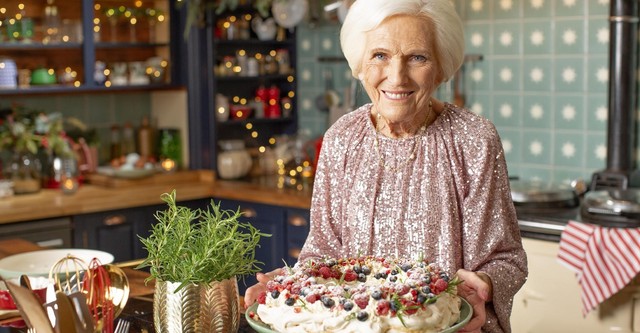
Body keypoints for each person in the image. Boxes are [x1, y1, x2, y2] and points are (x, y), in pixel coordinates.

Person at [245, 0, 528, 332]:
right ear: (360, 64)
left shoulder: (474, 140)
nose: (397, 77)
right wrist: (293, 285)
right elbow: (322, 252)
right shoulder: (341, 138)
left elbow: (507, 259)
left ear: (441, 66)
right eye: (380, 55)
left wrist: (483, 283)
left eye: (417, 57)